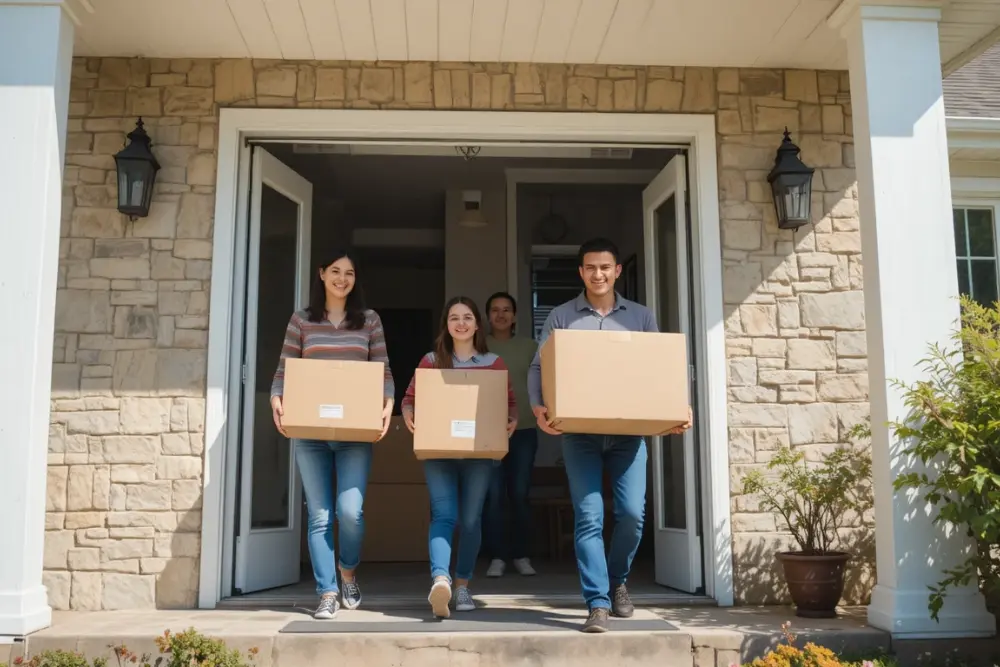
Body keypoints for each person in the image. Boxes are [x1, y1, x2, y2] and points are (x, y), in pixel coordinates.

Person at [527, 238, 693, 633]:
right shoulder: (562, 317)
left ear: (617, 271)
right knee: (589, 516)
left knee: (633, 515)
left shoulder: (640, 316)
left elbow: (660, 368)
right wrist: (537, 408)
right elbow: (539, 367)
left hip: (628, 434)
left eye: (605, 267)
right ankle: (597, 603)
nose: (598, 274)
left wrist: (677, 407)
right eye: (590, 268)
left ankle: (618, 581)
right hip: (580, 434)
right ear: (581, 272)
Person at [270, 249, 394, 620]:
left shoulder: (369, 321)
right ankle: (326, 592)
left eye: (350, 273)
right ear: (322, 274)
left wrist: (387, 402)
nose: (342, 278)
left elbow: (382, 368)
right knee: (320, 515)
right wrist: (276, 397)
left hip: (354, 430)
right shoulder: (302, 320)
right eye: (335, 271)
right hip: (310, 431)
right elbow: (285, 367)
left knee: (350, 513)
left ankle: (348, 571)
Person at [402, 296, 518, 618]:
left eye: (467, 317)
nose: (461, 323)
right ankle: (441, 580)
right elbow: (410, 397)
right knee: (444, 515)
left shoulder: (494, 363)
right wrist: (409, 413)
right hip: (439, 452)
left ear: (477, 324)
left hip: (479, 455)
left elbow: (508, 404)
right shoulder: (431, 361)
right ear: (447, 325)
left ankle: (463, 584)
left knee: (470, 520)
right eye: (454, 317)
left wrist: (511, 420)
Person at [482, 291, 540, 578]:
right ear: (488, 315)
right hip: (487, 430)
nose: (501, 314)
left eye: (507, 310)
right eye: (495, 310)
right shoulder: (479, 346)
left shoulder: (530, 346)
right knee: (494, 495)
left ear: (515, 316)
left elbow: (544, 381)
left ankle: (522, 554)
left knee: (519, 493)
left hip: (525, 428)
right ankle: (497, 556)